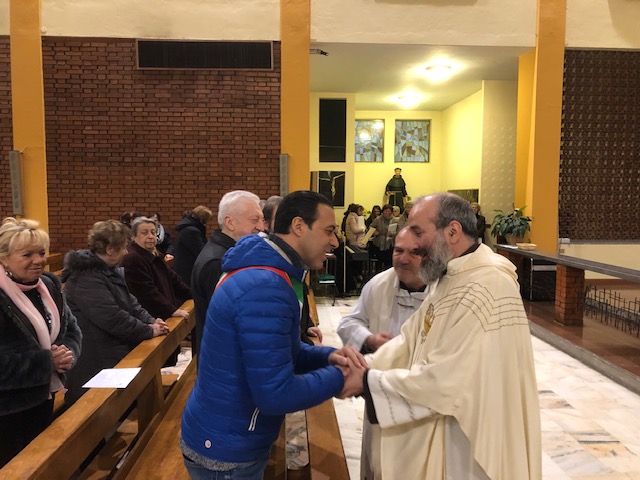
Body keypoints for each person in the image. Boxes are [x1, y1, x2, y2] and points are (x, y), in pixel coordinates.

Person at [345, 193, 542, 479]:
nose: (413, 244)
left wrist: (365, 380)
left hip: (466, 440)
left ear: (452, 232)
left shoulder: (488, 286)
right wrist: (365, 365)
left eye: (418, 232)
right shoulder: (451, 277)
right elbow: (409, 341)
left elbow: (448, 377)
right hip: (444, 422)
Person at [180, 190, 367, 479]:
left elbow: (283, 351)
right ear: (299, 226)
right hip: (227, 449)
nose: (334, 241)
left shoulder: (268, 272)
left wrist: (329, 357)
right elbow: (275, 394)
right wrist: (341, 377)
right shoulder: (264, 285)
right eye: (329, 230)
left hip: (230, 432)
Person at [337, 227, 428, 480]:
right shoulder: (379, 284)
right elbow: (348, 323)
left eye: (414, 252)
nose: (403, 258)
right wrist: (369, 339)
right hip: (379, 394)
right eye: (398, 250)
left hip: (421, 399)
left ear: (429, 256)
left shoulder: (443, 293)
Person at [0, 217, 82, 467]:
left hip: (43, 397)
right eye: (27, 255)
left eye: (42, 253)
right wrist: (46, 363)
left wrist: (68, 354)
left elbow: (71, 328)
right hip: (7, 411)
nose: (38, 260)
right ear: (4, 258)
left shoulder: (47, 285)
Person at [62, 220, 169, 405]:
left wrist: (152, 321)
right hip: (94, 358)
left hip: (110, 351)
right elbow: (111, 317)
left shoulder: (108, 271)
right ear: (110, 249)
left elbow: (131, 303)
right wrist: (148, 330)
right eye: (123, 248)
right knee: (94, 409)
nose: (126, 252)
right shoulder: (86, 277)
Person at [190, 191, 264, 357]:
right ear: (230, 222)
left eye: (262, 219)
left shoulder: (231, 254)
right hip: (223, 358)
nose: (261, 227)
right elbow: (229, 320)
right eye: (254, 220)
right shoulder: (218, 262)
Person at [121, 217, 192, 321]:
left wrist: (192, 295)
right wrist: (171, 310)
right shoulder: (132, 259)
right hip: (151, 319)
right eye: (144, 233)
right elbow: (146, 292)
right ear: (133, 237)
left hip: (164, 313)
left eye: (153, 232)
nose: (150, 236)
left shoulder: (155, 254)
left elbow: (174, 280)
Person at [173, 205, 213, 286]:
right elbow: (201, 251)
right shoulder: (192, 231)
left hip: (184, 269)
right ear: (202, 220)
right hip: (188, 271)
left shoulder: (186, 228)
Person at [370, 204, 397, 271]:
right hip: (379, 244)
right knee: (379, 264)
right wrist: (374, 231)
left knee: (388, 264)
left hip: (390, 244)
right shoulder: (378, 219)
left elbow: (399, 230)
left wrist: (393, 234)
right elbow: (371, 227)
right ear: (383, 211)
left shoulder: (395, 220)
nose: (387, 213)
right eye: (386, 211)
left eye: (389, 211)